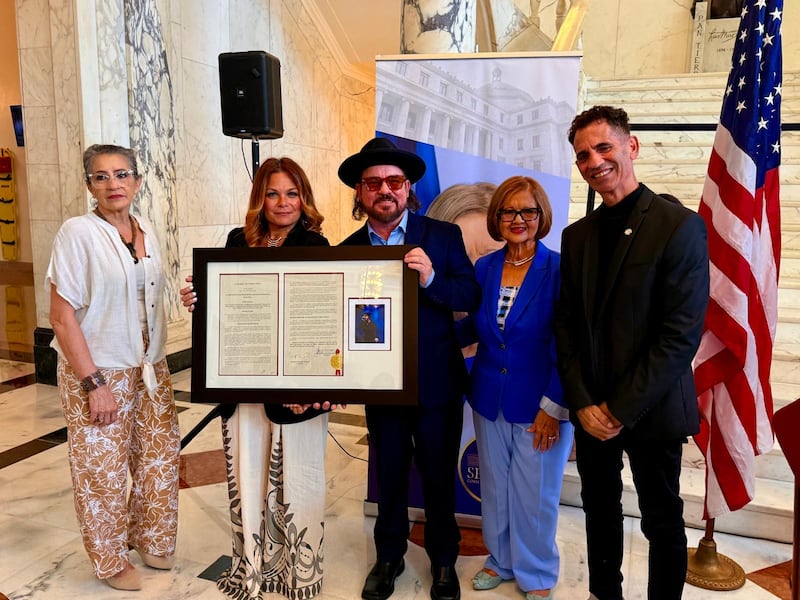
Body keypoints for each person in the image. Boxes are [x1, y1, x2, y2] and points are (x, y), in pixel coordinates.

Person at [554, 105, 709, 600]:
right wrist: (581, 402)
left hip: (652, 408)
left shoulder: (677, 226)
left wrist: (618, 409)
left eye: (604, 147)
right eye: (583, 155)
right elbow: (568, 325)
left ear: (631, 146)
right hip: (591, 409)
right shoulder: (576, 236)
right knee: (600, 512)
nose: (594, 161)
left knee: (661, 520)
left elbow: (680, 334)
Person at [181, 157, 332, 600]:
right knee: (248, 477)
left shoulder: (317, 246)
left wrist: (320, 387)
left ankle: (297, 575)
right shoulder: (236, 241)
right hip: (242, 382)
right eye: (272, 193)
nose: (282, 202)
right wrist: (199, 300)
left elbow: (322, 322)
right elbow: (226, 310)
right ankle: (251, 567)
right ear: (259, 199)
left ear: (303, 198)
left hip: (295, 390)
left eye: (291, 192)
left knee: (296, 478)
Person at [338, 137, 481, 600]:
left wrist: (433, 279)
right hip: (380, 386)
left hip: (437, 383)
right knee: (391, 474)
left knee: (439, 477)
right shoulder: (344, 251)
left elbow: (469, 297)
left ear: (408, 189)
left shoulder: (442, 236)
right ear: (360, 193)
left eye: (394, 181)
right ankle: (388, 556)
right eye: (374, 182)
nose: (385, 190)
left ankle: (443, 562)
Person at [45, 144, 180, 591]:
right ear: (89, 186)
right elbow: (62, 317)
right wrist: (93, 383)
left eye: (121, 174)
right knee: (100, 468)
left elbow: (151, 295)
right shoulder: (77, 232)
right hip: (99, 368)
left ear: (137, 181)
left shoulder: (147, 229)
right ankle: (109, 560)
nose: (113, 184)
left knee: (158, 458)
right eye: (101, 177)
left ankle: (151, 537)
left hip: (150, 365)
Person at [457, 176, 572, 600]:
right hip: (489, 396)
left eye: (528, 211)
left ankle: (537, 573)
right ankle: (500, 561)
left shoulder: (559, 269)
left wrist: (555, 405)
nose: (518, 219)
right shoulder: (485, 267)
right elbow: (475, 326)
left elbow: (570, 343)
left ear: (541, 216)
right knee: (497, 489)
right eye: (508, 211)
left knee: (535, 495)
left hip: (541, 404)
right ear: (497, 217)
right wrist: (427, 335)